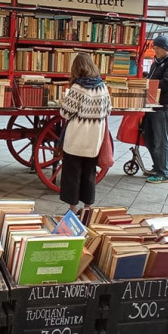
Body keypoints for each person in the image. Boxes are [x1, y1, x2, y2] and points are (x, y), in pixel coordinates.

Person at [59, 53, 112, 214]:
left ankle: (72, 209)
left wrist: (63, 103)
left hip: (76, 138)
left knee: (72, 174)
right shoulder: (102, 87)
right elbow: (108, 110)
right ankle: (88, 208)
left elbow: (65, 113)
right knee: (89, 174)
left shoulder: (78, 87)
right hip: (94, 139)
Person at [143, 35, 168, 184]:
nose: (156, 51)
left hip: (163, 106)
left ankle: (162, 173)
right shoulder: (156, 63)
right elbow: (152, 79)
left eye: (158, 49)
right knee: (148, 138)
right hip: (151, 106)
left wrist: (148, 84)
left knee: (160, 140)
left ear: (165, 48)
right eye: (154, 48)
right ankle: (157, 166)